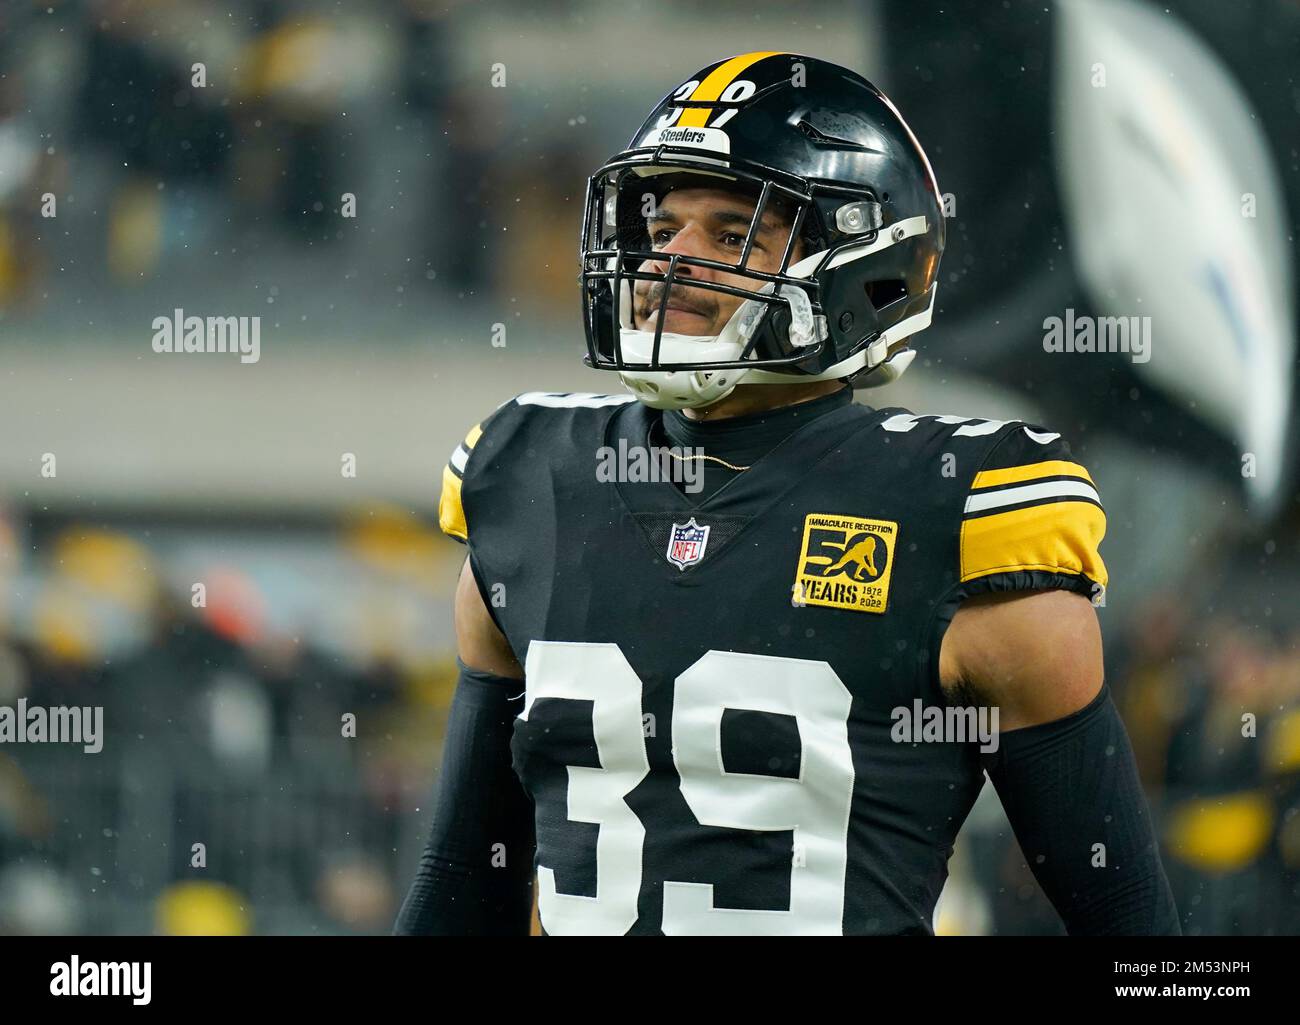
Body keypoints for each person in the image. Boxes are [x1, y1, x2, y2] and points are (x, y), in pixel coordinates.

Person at [394, 52, 1179, 936]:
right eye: (662, 228)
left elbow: (1124, 918)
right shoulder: (532, 476)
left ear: (866, 268)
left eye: (732, 235)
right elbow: (463, 876)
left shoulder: (959, 508)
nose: (670, 261)